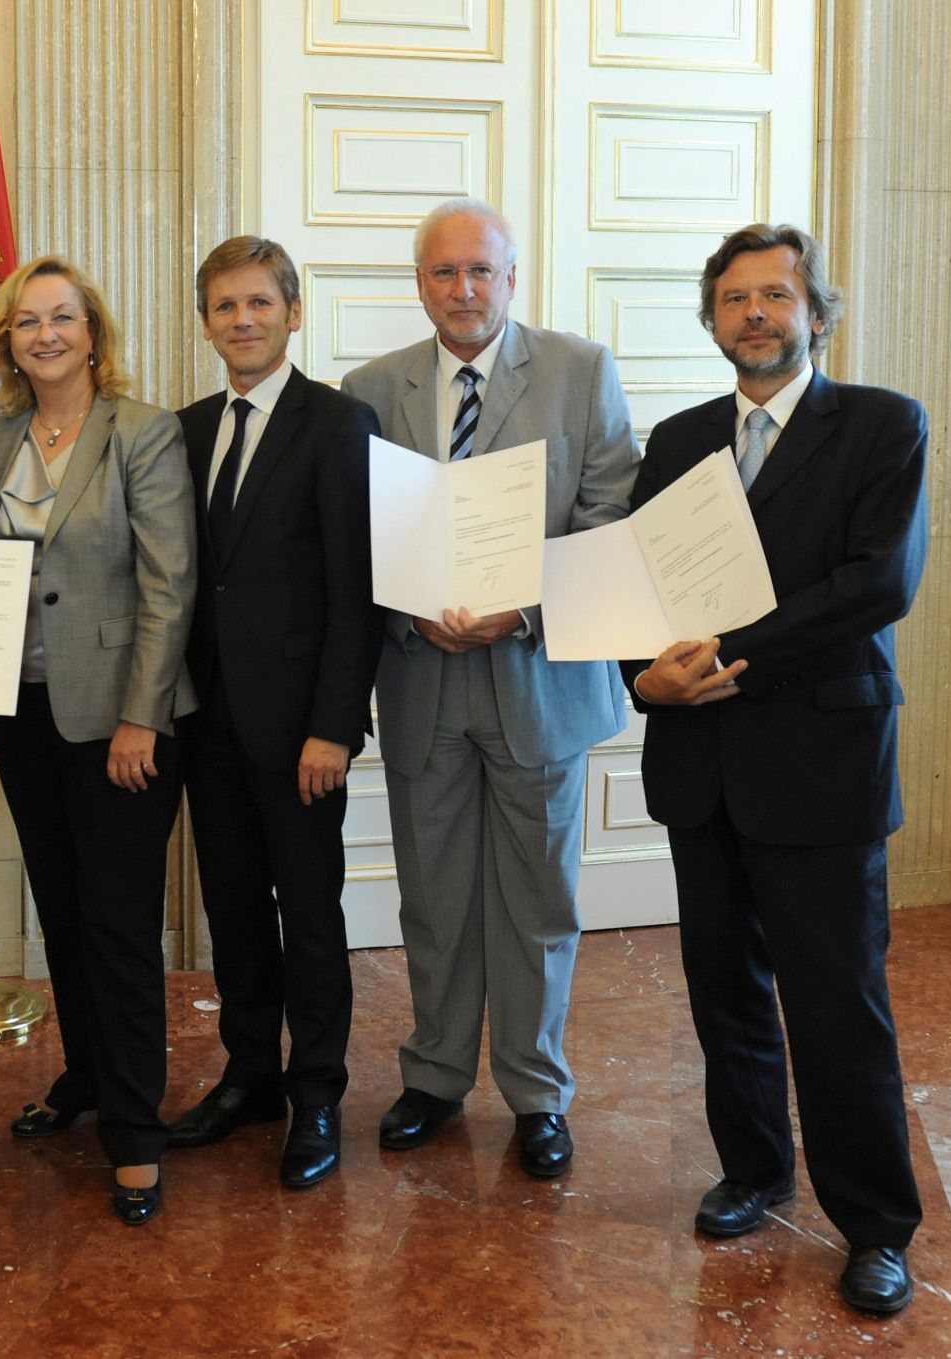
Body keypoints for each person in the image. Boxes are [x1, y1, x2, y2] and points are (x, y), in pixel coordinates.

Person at [621, 224, 927, 1315]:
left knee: (836, 1003)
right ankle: (752, 1169)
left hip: (821, 759)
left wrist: (730, 659)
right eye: (733, 299)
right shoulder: (676, 439)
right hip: (698, 761)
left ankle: (876, 1226)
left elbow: (875, 583)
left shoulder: (882, 424)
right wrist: (638, 677)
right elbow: (634, 585)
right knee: (724, 990)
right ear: (710, 320)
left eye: (774, 295)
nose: (753, 314)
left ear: (813, 311)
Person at [340, 197, 637, 1177]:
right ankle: (431, 1077)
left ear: (511, 278)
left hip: (535, 679)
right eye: (442, 273)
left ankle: (534, 1091)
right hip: (423, 676)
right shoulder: (371, 389)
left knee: (537, 900)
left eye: (480, 271)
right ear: (418, 285)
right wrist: (404, 610)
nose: (462, 289)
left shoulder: (577, 370)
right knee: (432, 898)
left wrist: (520, 610)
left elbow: (606, 520)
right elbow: (357, 540)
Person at [0, 255, 197, 1226]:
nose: (44, 335)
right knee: (61, 909)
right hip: (21, 711)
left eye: (61, 318)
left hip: (118, 721)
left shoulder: (141, 432)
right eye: (26, 322)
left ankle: (136, 1130)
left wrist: (141, 716)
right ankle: (87, 1078)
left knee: (116, 921)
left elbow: (167, 583)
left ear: (91, 332)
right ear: (7, 341)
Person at [166, 236, 381, 1189]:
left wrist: (334, 725)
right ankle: (249, 1073)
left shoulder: (340, 423)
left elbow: (356, 588)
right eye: (224, 306)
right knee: (233, 912)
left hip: (301, 732)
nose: (242, 320)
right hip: (204, 723)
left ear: (294, 313)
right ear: (205, 321)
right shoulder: (183, 426)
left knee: (311, 914)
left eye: (260, 302)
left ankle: (318, 1092)